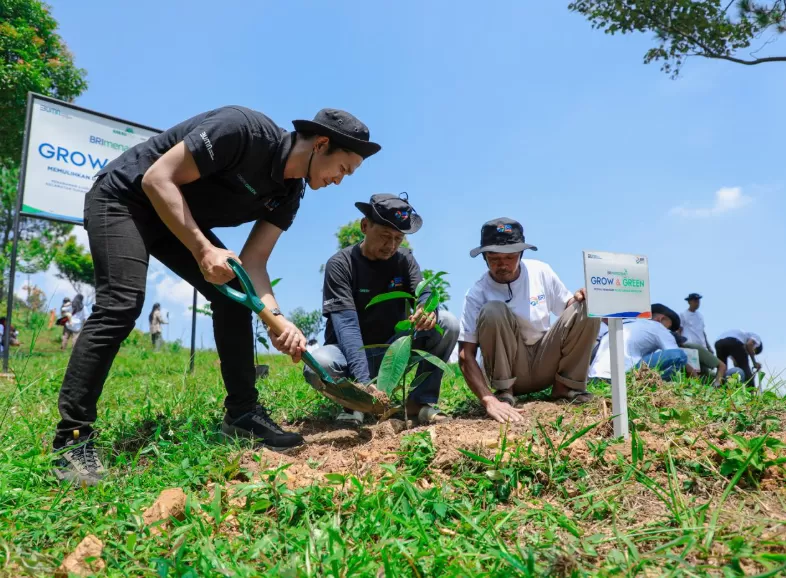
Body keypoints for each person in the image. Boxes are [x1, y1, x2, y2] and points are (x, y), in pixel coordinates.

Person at [52, 106, 380, 485]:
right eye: (343, 168)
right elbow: (157, 179)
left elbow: (254, 264)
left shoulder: (288, 194)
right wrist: (202, 249)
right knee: (122, 302)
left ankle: (242, 416)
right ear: (322, 144)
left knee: (232, 293)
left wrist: (278, 321)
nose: (340, 180)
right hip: (124, 198)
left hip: (173, 220)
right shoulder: (242, 131)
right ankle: (72, 439)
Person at [304, 194, 459, 425]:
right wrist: (364, 382)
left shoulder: (404, 259)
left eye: (398, 238)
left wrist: (427, 309)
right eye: (385, 236)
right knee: (318, 365)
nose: (391, 246)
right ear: (365, 226)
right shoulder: (340, 265)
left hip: (393, 351)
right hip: (348, 355)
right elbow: (346, 326)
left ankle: (419, 405)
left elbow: (423, 290)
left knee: (447, 322)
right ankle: (354, 405)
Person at [457, 218, 600, 424]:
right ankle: (504, 393)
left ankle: (566, 388)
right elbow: (465, 355)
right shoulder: (477, 293)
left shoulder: (540, 271)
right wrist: (488, 400)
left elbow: (570, 309)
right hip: (510, 369)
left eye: (510, 257)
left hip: (546, 361)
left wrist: (582, 297)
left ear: (521, 254)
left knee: (587, 305)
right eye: (494, 258)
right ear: (484, 258)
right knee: (493, 310)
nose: (502, 264)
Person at [589, 303, 698, 381]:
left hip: (595, 377)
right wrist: (696, 379)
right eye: (669, 328)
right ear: (661, 319)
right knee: (680, 355)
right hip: (621, 376)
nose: (669, 332)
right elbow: (676, 354)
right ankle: (662, 385)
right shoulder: (657, 326)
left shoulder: (626, 323)